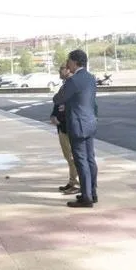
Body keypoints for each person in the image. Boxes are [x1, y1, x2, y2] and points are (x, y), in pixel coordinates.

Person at [52, 49, 98, 207]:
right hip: (90, 123)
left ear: (75, 62)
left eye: (69, 61)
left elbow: (58, 98)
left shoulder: (73, 80)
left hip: (77, 124)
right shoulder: (91, 78)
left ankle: (86, 198)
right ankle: (92, 192)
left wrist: (65, 82)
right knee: (90, 159)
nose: (67, 64)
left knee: (81, 160)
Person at [50, 65, 79, 195]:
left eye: (61, 69)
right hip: (61, 126)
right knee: (68, 156)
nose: (59, 72)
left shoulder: (72, 85)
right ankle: (72, 181)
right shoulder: (65, 85)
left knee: (73, 157)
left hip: (69, 126)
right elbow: (58, 103)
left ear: (68, 70)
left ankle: (76, 183)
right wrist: (53, 115)